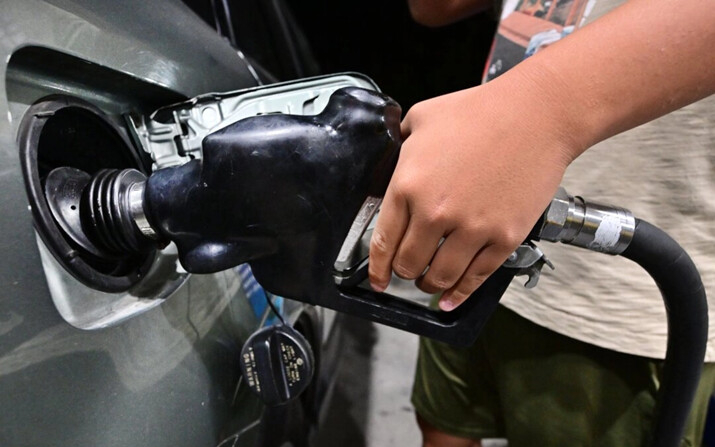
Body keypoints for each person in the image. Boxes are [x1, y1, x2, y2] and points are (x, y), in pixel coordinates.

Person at [366, 0, 715, 445]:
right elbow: (432, 8)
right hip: (476, 230)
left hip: (623, 294)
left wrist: (545, 110)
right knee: (443, 429)